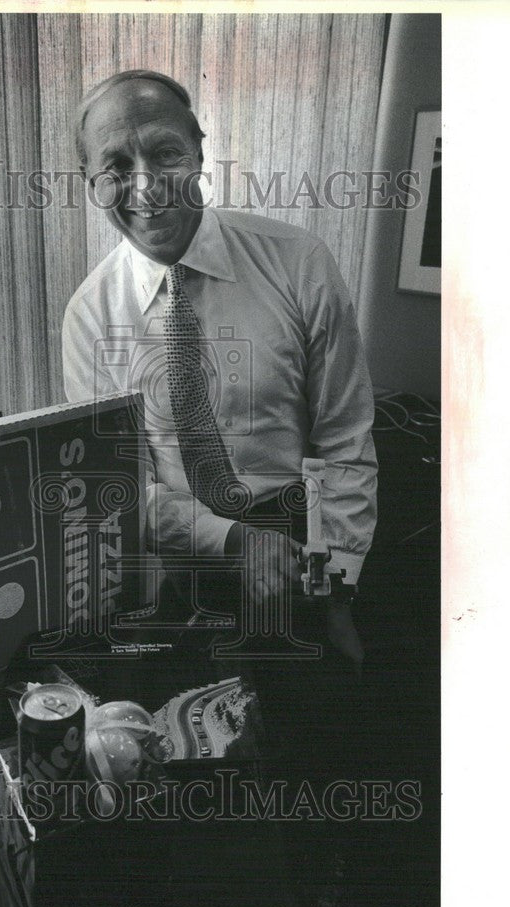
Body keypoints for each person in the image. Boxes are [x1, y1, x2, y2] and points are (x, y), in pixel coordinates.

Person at [62, 70, 377, 667]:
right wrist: (232, 542)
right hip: (185, 576)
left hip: (307, 557)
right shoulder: (88, 317)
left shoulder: (299, 263)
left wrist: (337, 593)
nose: (146, 186)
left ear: (201, 151)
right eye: (115, 168)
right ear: (90, 184)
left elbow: (345, 440)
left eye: (165, 153)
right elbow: (124, 488)